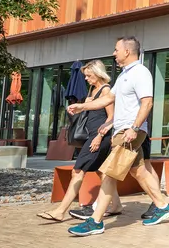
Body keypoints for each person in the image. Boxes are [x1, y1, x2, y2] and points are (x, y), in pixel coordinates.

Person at [68, 36, 169, 236]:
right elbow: (108, 98)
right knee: (139, 171)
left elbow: (147, 103)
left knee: (108, 174)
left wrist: (134, 128)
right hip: (123, 130)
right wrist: (82, 106)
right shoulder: (124, 75)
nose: (113, 53)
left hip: (129, 132)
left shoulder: (141, 73)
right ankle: (162, 205)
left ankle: (95, 221)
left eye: (116, 49)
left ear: (127, 51)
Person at [37, 60, 122, 222]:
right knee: (101, 172)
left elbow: (112, 117)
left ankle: (60, 211)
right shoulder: (93, 89)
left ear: (98, 74)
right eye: (85, 76)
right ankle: (116, 205)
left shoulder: (106, 91)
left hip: (98, 138)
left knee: (77, 171)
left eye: (89, 75)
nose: (86, 79)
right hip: (92, 136)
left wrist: (98, 137)